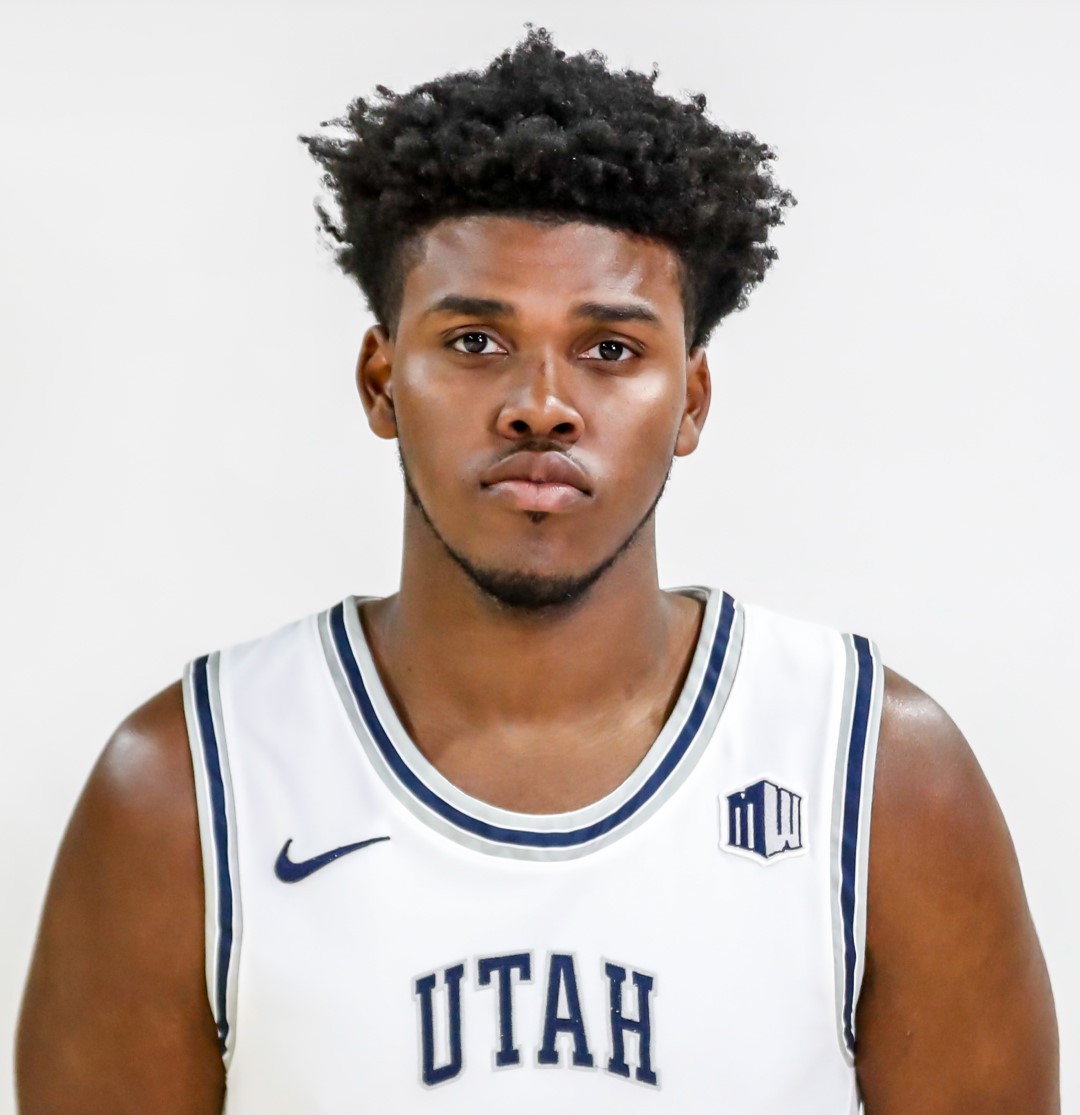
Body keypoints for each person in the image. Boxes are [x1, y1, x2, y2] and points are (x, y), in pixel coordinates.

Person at [16, 26, 1058, 1114]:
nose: (542, 404)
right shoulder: (185, 787)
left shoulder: (879, 773)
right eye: (476, 340)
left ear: (692, 399)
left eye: (611, 349)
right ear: (381, 380)